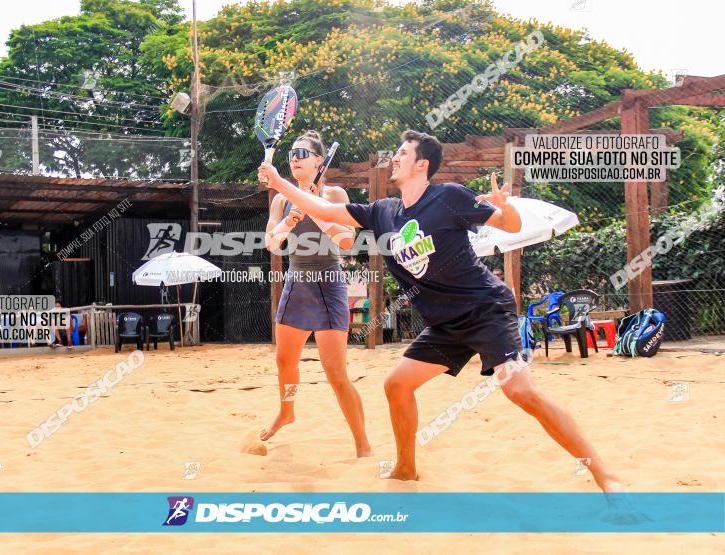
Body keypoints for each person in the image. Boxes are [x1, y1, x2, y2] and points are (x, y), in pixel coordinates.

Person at [259, 129, 623, 492]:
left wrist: (506, 207)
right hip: (444, 325)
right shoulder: (384, 212)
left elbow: (509, 225)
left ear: (422, 164)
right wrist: (277, 182)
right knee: (397, 385)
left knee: (519, 392)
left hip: (485, 310)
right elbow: (322, 209)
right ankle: (405, 469)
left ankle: (604, 475)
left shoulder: (448, 197)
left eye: (402, 153)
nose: (395, 158)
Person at [261, 130, 372, 457]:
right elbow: (271, 243)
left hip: (328, 285)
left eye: (302, 154)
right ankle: (287, 411)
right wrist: (288, 223)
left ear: (319, 161)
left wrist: (317, 212)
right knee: (284, 361)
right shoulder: (282, 199)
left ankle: (362, 443)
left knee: (336, 373)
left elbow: (348, 241)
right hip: (296, 282)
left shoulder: (335, 194)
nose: (295, 159)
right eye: (292, 154)